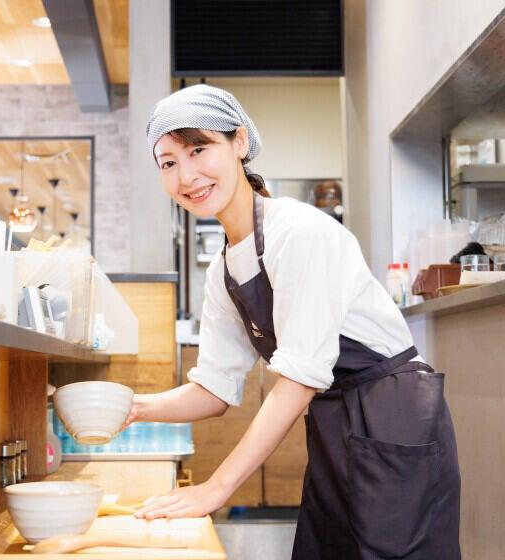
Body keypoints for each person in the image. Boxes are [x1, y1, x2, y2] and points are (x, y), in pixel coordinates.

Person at [127, 84, 461, 559]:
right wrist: (131, 407)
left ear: (239, 142)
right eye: (168, 162)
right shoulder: (223, 270)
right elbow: (214, 390)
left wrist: (217, 488)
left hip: (393, 415)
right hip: (334, 421)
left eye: (199, 150)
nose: (186, 175)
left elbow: (300, 379)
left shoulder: (300, 232)